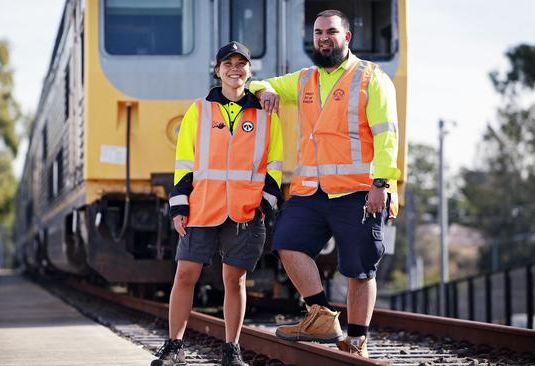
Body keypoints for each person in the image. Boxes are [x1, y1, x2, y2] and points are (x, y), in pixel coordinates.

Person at [250, 10, 401, 358]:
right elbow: (257, 83)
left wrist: (381, 183)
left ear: (347, 37)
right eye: (318, 33)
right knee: (287, 244)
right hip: (310, 190)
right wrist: (268, 89)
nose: (323, 38)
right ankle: (320, 314)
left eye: (331, 32)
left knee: (359, 270)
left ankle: (357, 341)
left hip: (359, 191)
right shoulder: (305, 80)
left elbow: (386, 136)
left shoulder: (371, 78)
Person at [151, 41, 283, 366]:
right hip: (202, 208)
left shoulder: (266, 115)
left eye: (241, 63)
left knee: (234, 281)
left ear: (250, 71)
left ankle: (231, 350)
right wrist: (179, 206)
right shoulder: (199, 110)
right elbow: (184, 162)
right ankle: (173, 347)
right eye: (228, 63)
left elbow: (275, 164)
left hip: (245, 212)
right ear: (217, 69)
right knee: (184, 275)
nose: (235, 68)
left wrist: (265, 205)